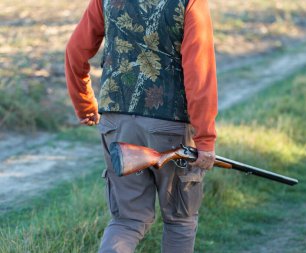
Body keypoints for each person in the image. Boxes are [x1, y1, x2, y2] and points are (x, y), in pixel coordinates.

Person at [65, 0, 218, 252]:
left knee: (127, 220)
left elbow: (75, 51)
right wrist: (205, 139)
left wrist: (85, 105)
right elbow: (199, 72)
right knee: (179, 220)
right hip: (169, 124)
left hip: (116, 122)